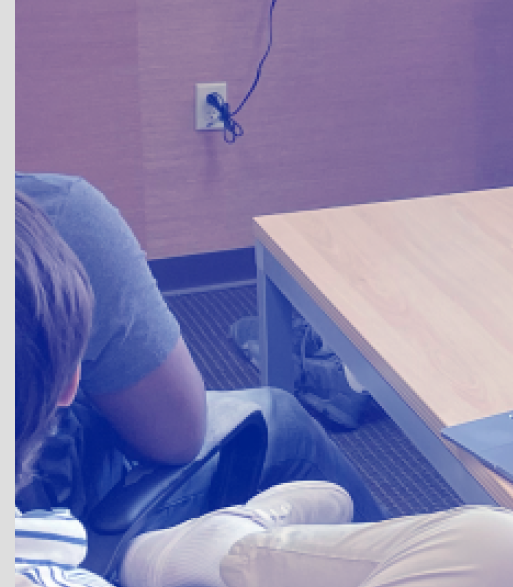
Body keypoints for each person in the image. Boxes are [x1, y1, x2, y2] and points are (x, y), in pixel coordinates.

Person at [14, 191, 513, 587]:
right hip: (92, 547)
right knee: (508, 547)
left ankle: (211, 553)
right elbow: (179, 435)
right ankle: (226, 552)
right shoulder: (61, 205)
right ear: (69, 383)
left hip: (59, 548)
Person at [12, 172, 384, 526]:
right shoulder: (55, 216)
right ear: (68, 381)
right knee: (284, 421)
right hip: (67, 524)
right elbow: (179, 438)